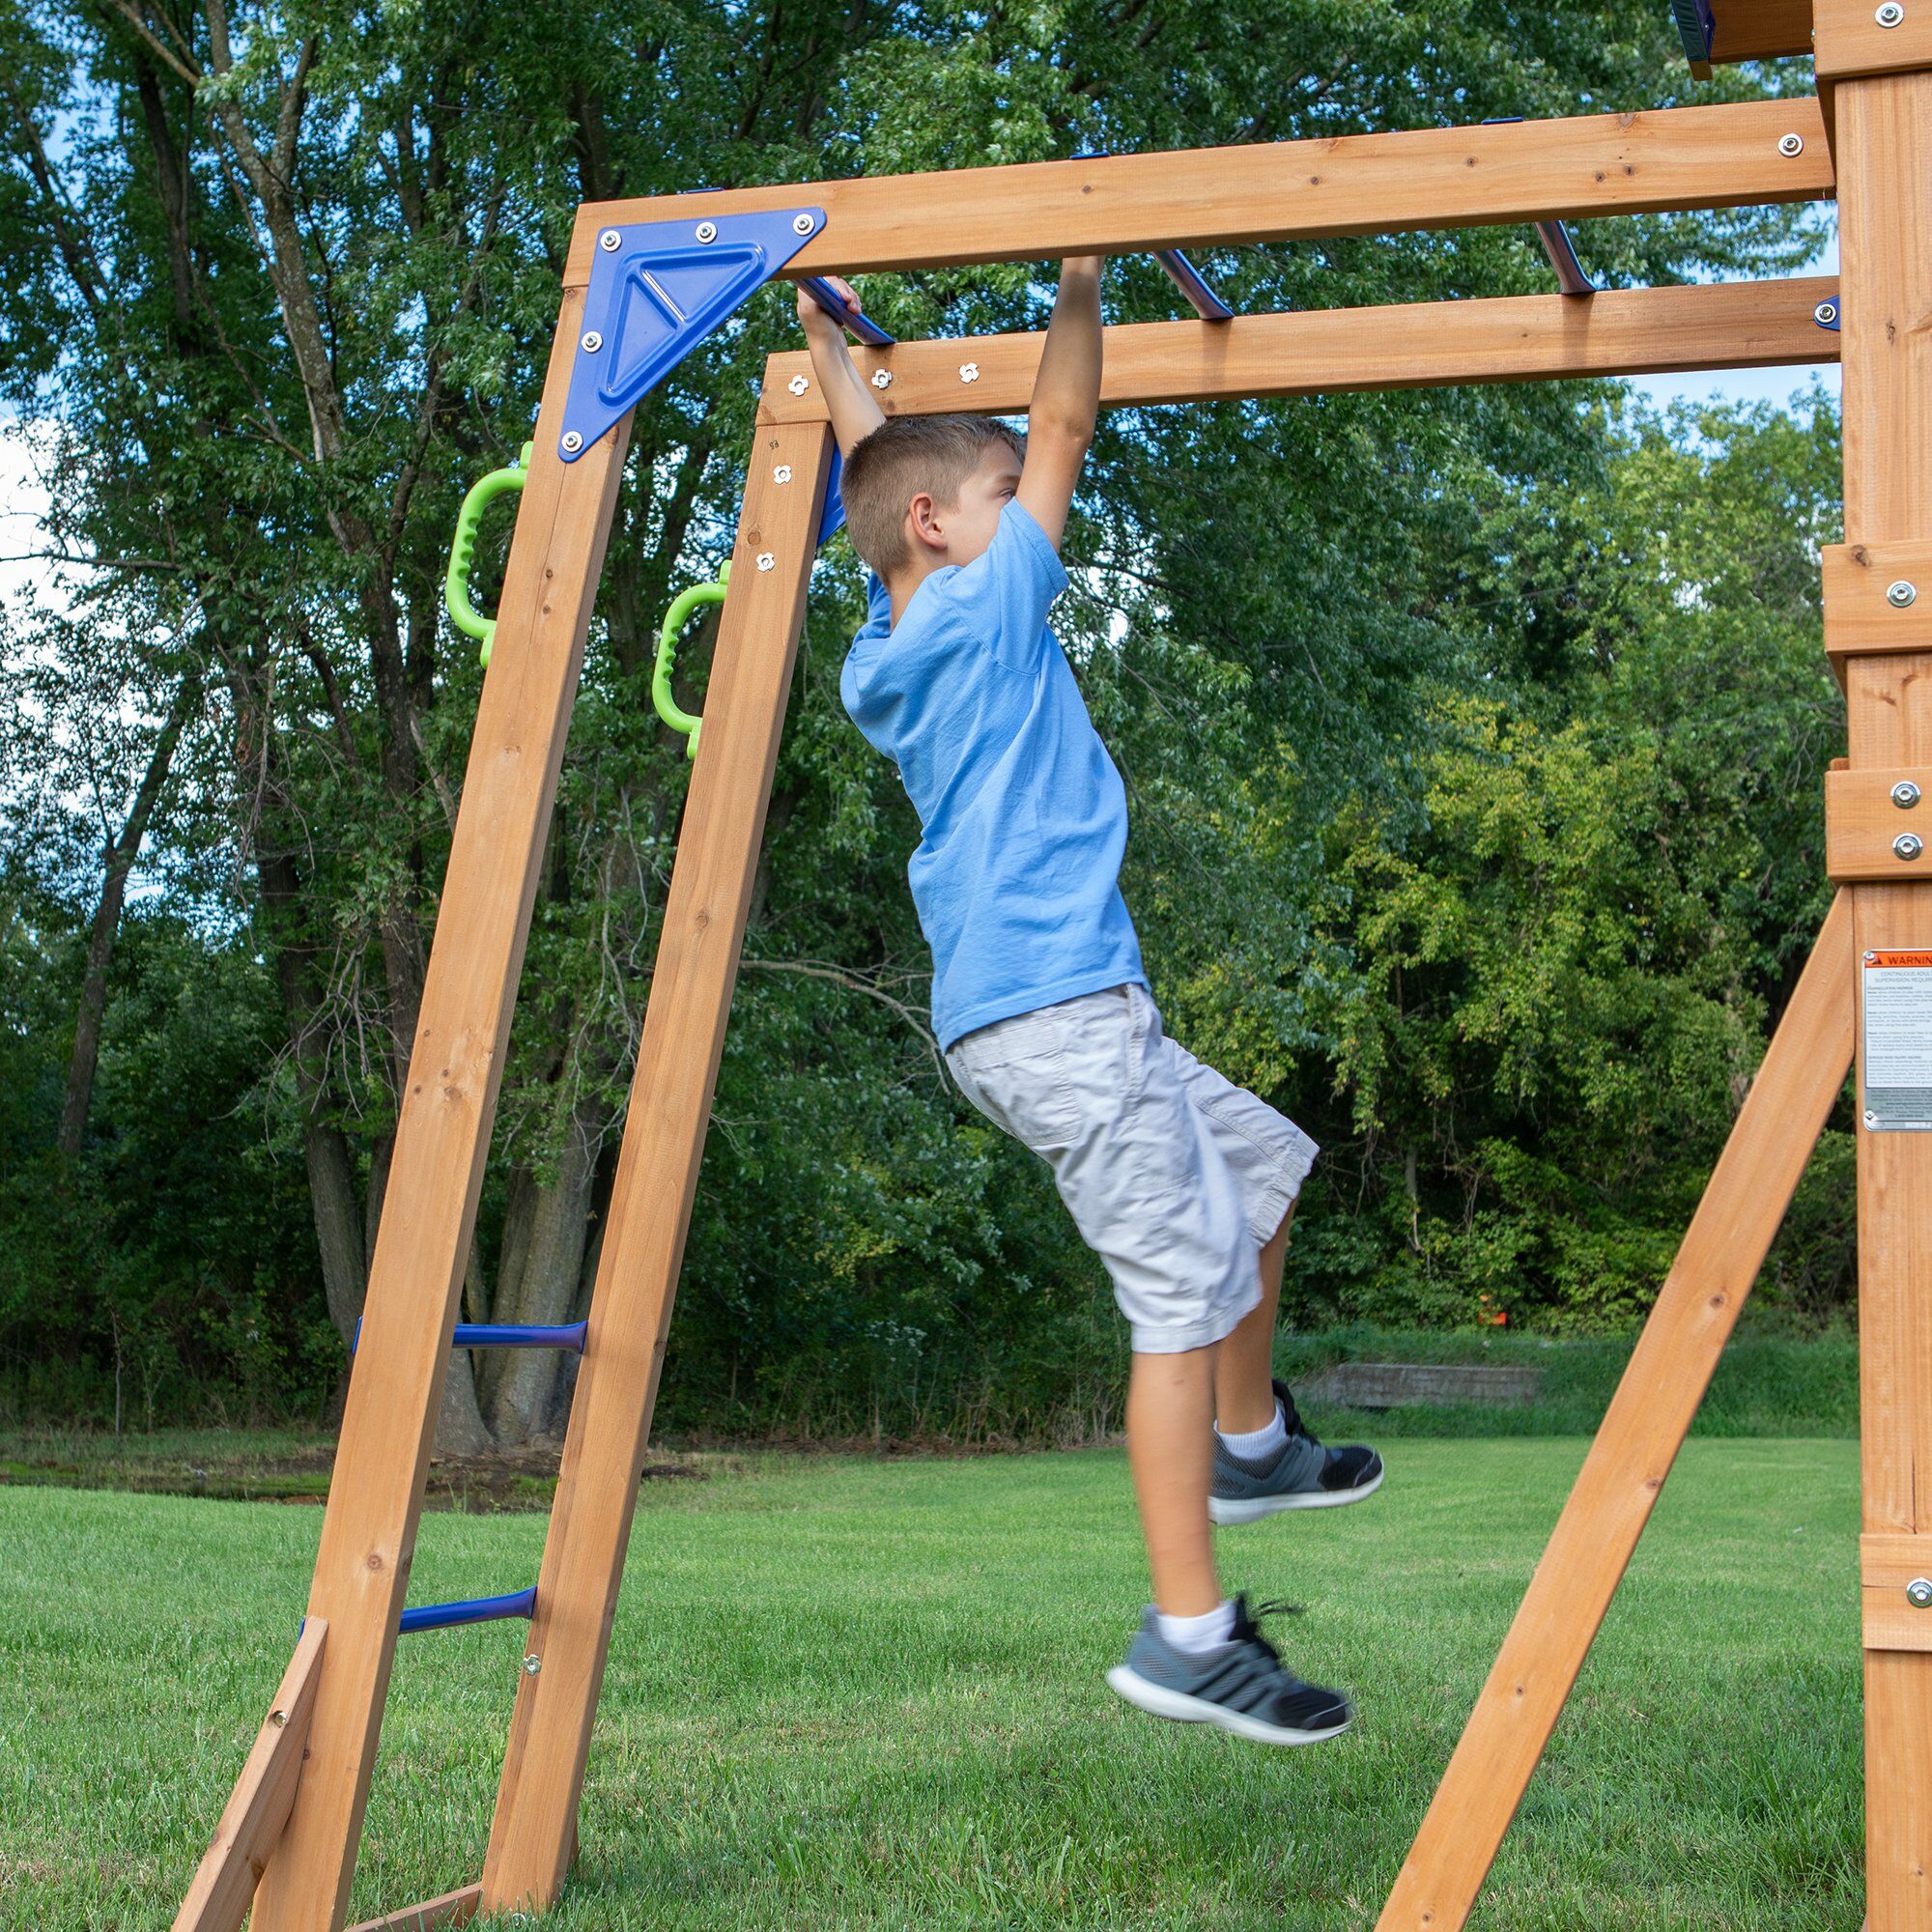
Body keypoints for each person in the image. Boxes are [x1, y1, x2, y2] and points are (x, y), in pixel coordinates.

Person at [797, 261, 1384, 1746]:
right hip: (1057, 1012)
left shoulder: (890, 642)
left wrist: (832, 355)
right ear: (951, 527)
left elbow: (889, 487)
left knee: (1264, 1170)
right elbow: (1057, 423)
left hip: (1043, 1013)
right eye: (1003, 493)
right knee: (1180, 1299)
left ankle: (1249, 1446)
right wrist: (1079, 272)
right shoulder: (988, 611)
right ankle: (1189, 1635)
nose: (1030, 500)